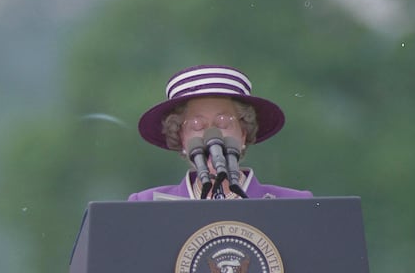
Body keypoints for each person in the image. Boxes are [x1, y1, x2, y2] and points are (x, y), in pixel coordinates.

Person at [129, 64, 312, 201]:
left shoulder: (294, 204)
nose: (212, 137)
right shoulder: (146, 205)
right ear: (181, 138)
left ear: (243, 134)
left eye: (224, 122)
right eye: (197, 125)